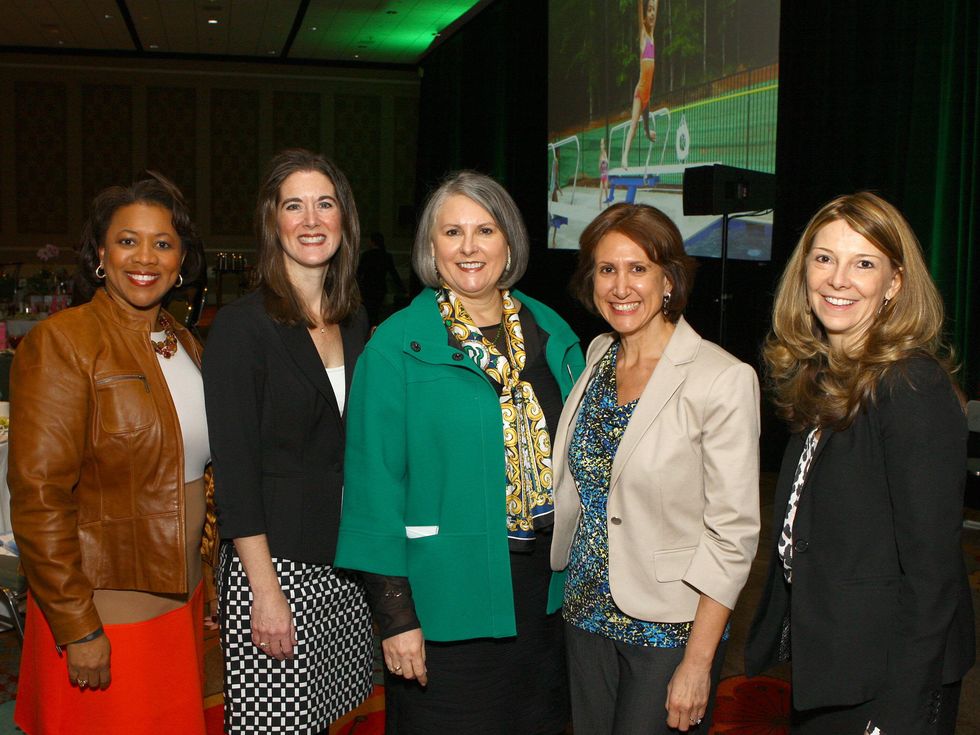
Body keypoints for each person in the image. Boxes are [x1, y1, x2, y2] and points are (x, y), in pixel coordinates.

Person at [335, 170, 585, 734]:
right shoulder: (398, 345)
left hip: (545, 605)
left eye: (486, 230)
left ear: (510, 242)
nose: (470, 247)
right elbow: (374, 488)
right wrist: (397, 618)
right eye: (452, 232)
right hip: (443, 605)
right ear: (430, 247)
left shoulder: (553, 331)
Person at [744, 192, 975, 734]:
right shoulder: (822, 374)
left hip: (889, 679)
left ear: (894, 283)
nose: (838, 279)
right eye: (824, 258)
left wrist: (897, 715)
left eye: (863, 263)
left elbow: (931, 575)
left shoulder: (910, 385)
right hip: (836, 662)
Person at [9, 173, 210, 733]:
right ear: (100, 252)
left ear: (182, 258)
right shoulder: (63, 342)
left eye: (163, 243)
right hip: (107, 610)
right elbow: (39, 496)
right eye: (127, 241)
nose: (144, 257)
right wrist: (78, 627)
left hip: (180, 596)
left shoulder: (183, 341)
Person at [551, 202, 760, 733]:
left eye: (638, 268)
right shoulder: (599, 353)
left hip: (669, 631)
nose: (621, 286)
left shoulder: (721, 378)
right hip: (584, 613)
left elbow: (733, 535)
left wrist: (699, 661)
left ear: (669, 280)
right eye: (607, 269)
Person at [202, 149, 374, 735]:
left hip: (343, 564)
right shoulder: (240, 327)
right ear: (272, 222)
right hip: (275, 569)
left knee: (331, 719)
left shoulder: (354, 319)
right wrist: (264, 592)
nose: (311, 219)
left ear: (344, 219)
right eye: (293, 206)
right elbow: (236, 471)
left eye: (325, 204)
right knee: (273, 727)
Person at [621, 0, 659, 168]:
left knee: (646, 127)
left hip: (647, 95)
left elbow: (654, 10)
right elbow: (640, 12)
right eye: (649, 11)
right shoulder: (644, 37)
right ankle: (624, 157)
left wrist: (654, 3)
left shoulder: (652, 37)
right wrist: (642, 5)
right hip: (640, 92)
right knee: (634, 125)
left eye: (653, 11)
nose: (651, 13)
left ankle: (647, 132)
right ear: (644, 18)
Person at [357, 231, 406, 326]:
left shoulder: (367, 255)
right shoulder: (386, 256)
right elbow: (394, 274)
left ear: (372, 242)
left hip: (367, 289)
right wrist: (403, 289)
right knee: (375, 313)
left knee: (368, 313)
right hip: (380, 289)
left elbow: (359, 273)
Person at [598, 136, 610, 207]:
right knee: (601, 192)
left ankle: (608, 205)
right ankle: (599, 206)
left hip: (606, 175)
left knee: (606, 191)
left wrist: (605, 161)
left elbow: (607, 164)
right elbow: (599, 168)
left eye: (602, 144)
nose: (602, 146)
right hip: (602, 176)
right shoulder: (600, 156)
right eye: (601, 144)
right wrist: (600, 163)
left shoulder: (605, 154)